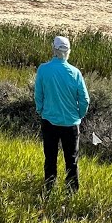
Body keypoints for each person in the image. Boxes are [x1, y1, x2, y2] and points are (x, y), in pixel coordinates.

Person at [34, 35, 90, 193]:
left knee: (50, 157)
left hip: (49, 120)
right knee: (71, 160)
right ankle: (72, 192)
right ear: (68, 52)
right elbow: (85, 99)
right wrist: (79, 115)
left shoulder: (43, 69)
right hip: (70, 123)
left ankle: (49, 189)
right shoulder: (75, 72)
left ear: (53, 49)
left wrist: (41, 110)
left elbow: (38, 94)